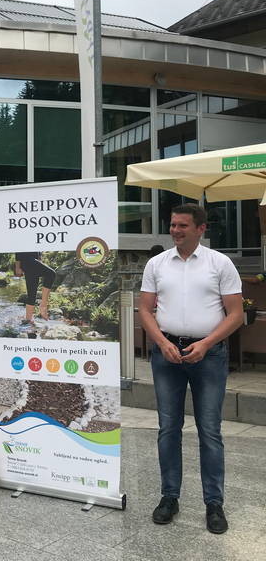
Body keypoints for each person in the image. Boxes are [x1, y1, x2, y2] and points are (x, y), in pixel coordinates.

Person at [139, 203, 243, 535]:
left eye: (182, 225)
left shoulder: (220, 263)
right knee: (168, 428)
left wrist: (207, 344)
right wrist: (162, 342)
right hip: (166, 353)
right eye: (173, 225)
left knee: (210, 430)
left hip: (208, 355)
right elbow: (145, 309)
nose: (175, 230)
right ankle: (169, 498)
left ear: (201, 228)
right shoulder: (156, 264)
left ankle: (214, 503)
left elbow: (236, 314)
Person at [14, 252, 56, 323]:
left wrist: (39, 260)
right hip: (27, 260)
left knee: (31, 294)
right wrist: (17, 267)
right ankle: (43, 305)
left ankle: (28, 319)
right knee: (51, 274)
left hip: (33, 261)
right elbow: (18, 250)